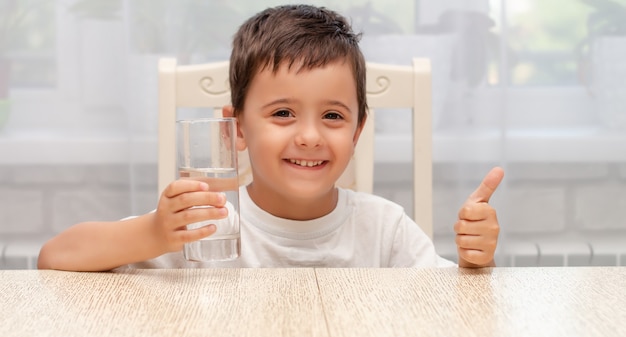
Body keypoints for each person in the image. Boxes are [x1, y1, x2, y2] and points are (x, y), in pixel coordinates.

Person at [37, 4, 504, 272]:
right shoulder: (206, 226)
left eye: (333, 116)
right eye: (282, 112)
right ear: (237, 128)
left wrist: (474, 263)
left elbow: (451, 308)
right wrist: (154, 232)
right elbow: (54, 258)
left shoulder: (384, 229)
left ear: (358, 130)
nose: (309, 136)